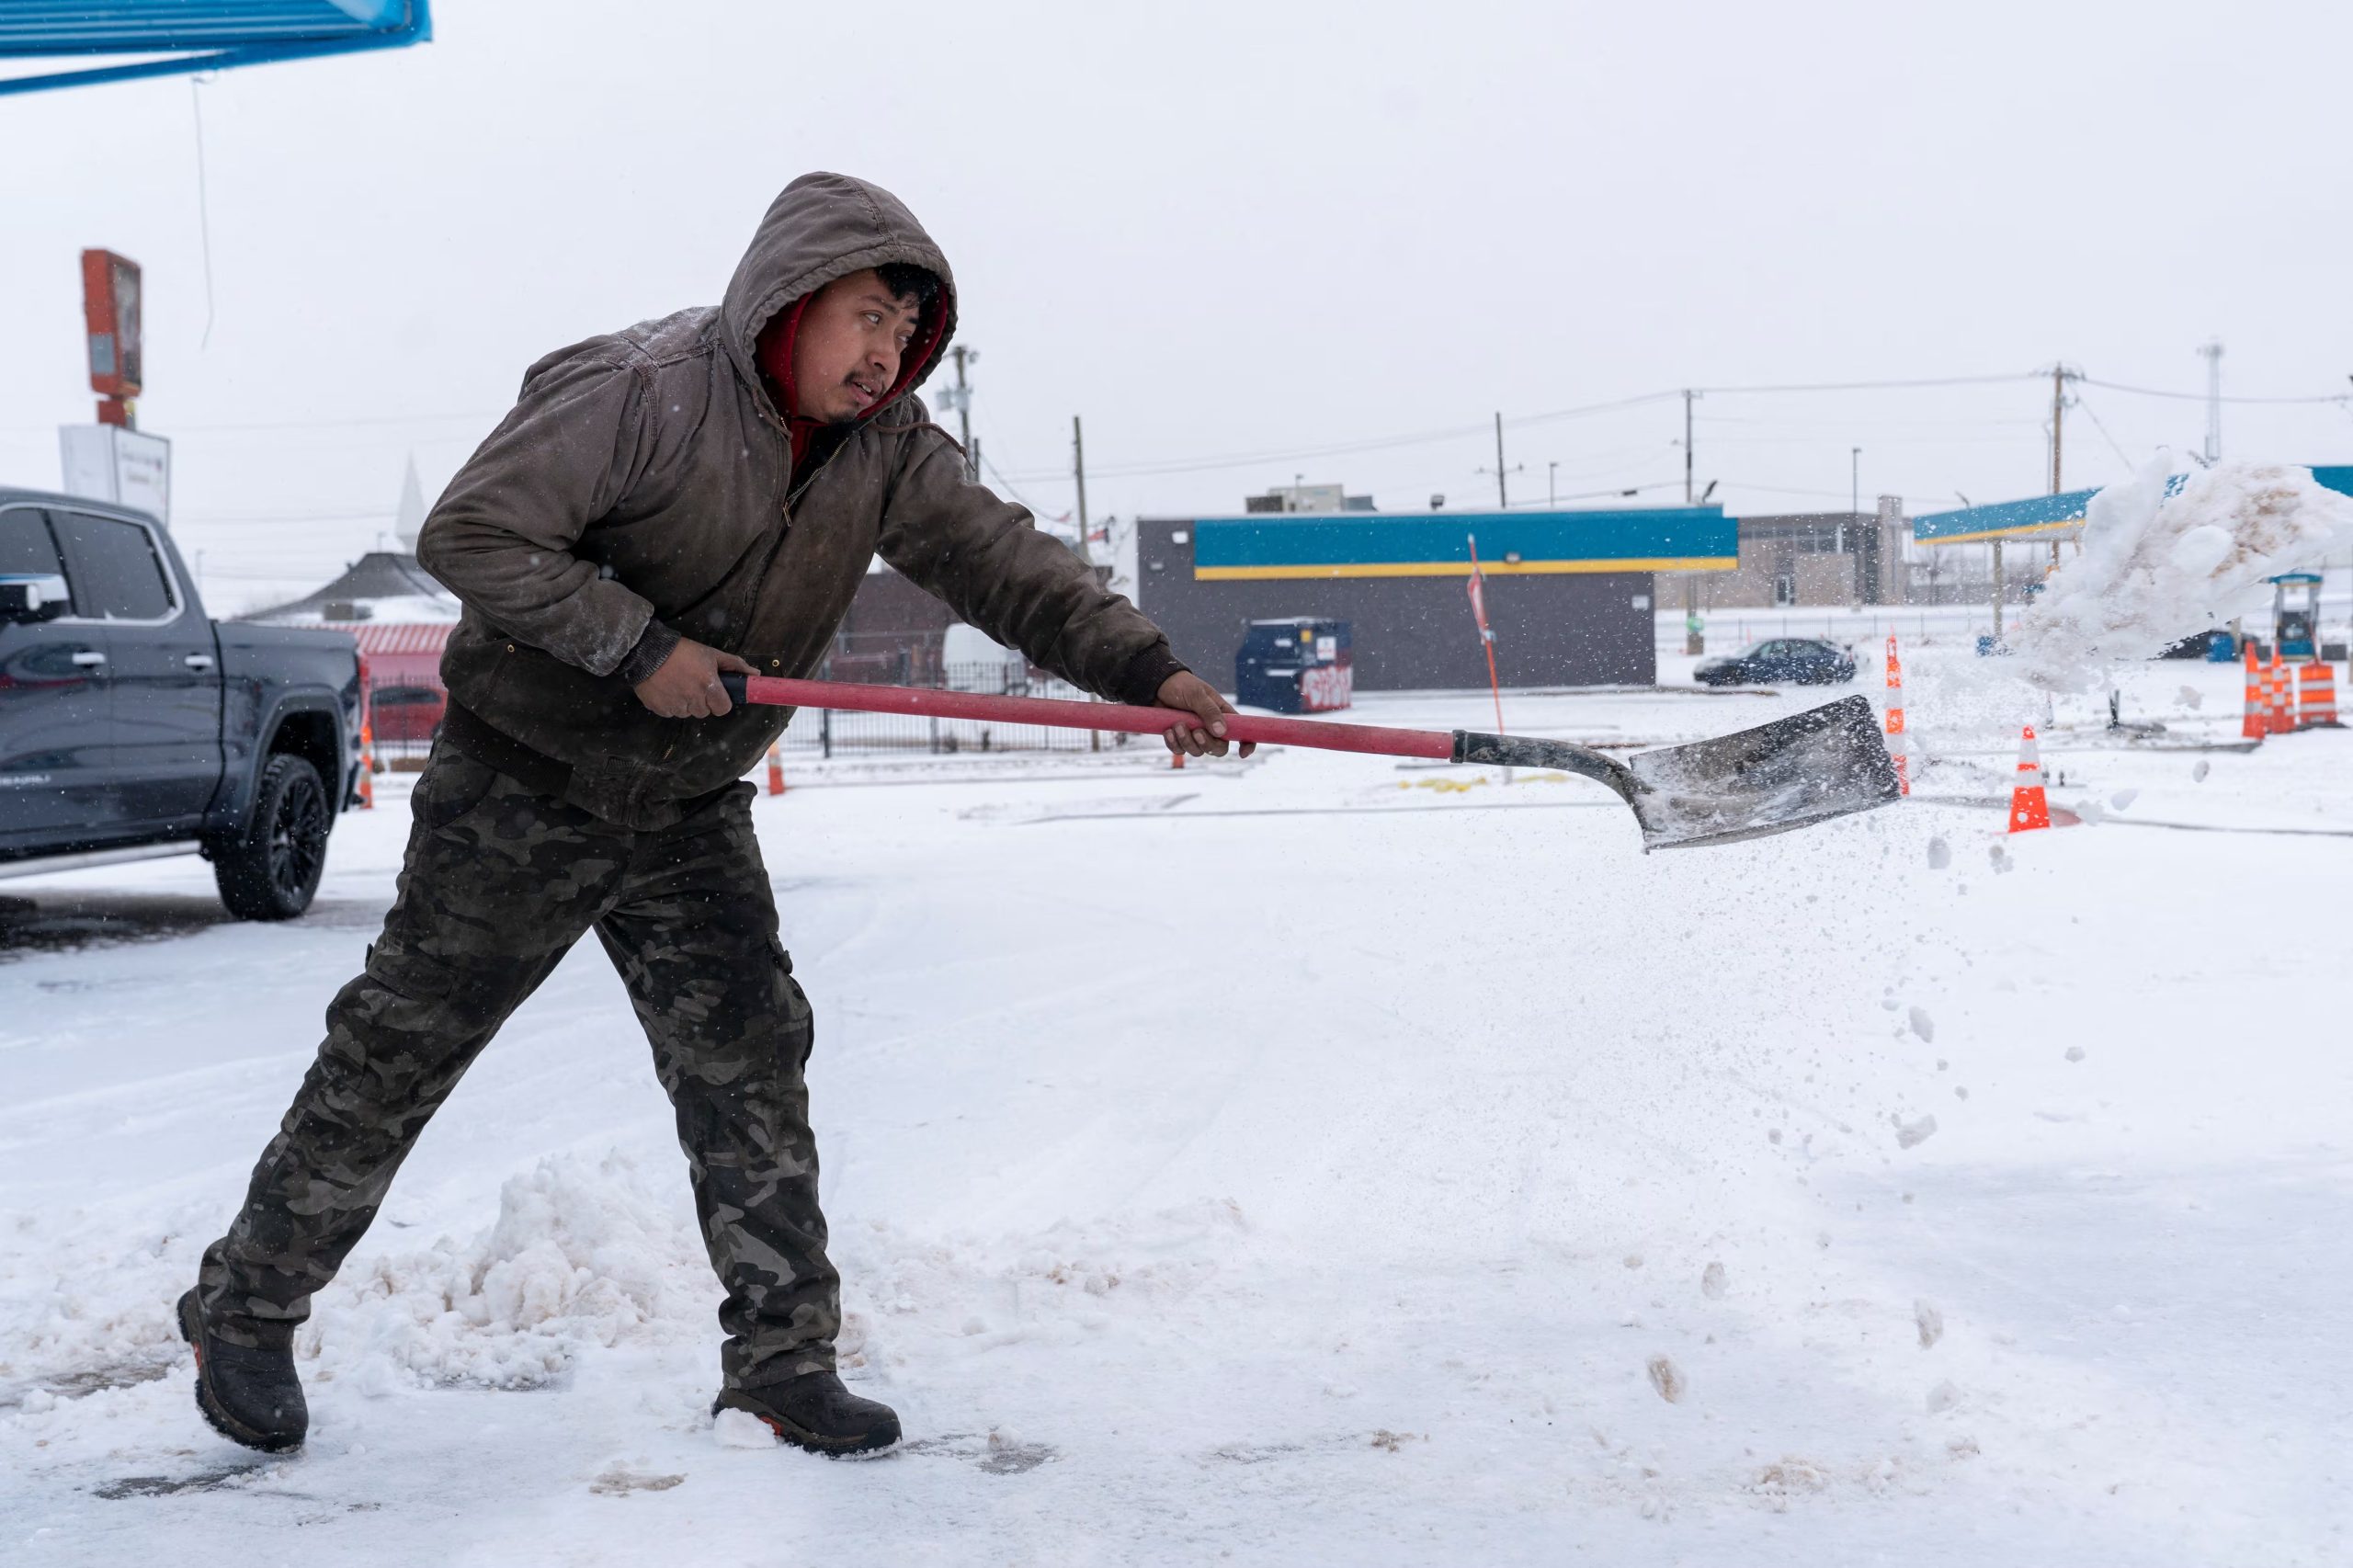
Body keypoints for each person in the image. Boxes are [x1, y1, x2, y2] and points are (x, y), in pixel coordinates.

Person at [178, 172, 1246, 1459]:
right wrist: (637, 645)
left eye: (906, 334)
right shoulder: (641, 391)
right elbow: (473, 530)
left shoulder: (889, 446)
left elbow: (1010, 565)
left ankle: (784, 1359)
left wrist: (1150, 672)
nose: (884, 355)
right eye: (865, 318)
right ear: (790, 301)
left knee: (749, 1056)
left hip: (686, 800)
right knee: (403, 1044)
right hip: (526, 776)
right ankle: (243, 1303)